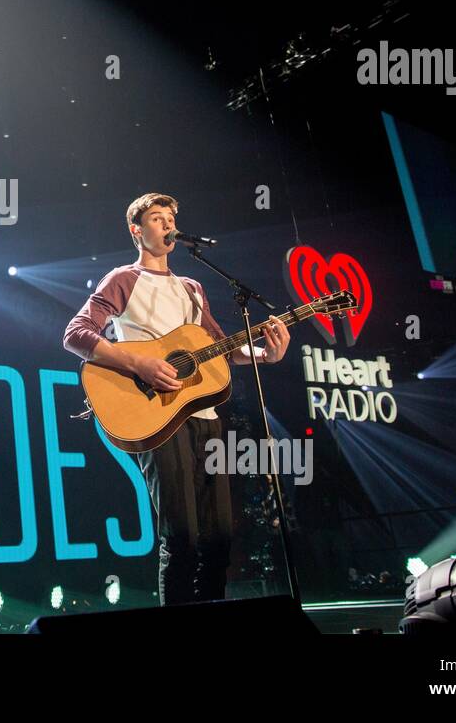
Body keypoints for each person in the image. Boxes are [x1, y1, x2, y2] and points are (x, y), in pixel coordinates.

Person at [63, 192, 289, 605]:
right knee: (181, 538)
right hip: (156, 417)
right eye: (156, 217)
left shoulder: (192, 287)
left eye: (170, 217)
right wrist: (139, 364)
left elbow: (223, 347)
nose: (167, 224)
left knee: (220, 538)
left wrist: (264, 354)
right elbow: (76, 334)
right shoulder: (123, 279)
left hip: (205, 415)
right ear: (137, 230)